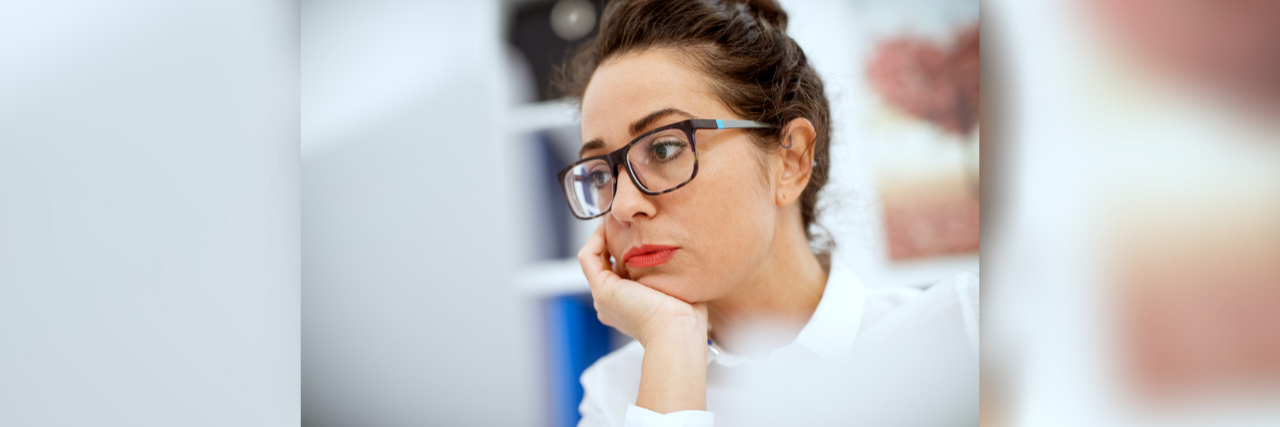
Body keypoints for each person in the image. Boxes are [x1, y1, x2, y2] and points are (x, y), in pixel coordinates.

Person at [552, 0, 979, 425]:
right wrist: (673, 345)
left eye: (665, 149)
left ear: (791, 159)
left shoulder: (959, 339)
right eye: (602, 175)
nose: (624, 206)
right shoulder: (617, 394)